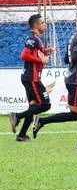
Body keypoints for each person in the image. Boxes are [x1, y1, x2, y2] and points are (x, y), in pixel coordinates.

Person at [32, 12, 77, 149]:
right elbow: (76, 58)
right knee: (74, 115)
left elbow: (68, 58)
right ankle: (41, 121)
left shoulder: (73, 36)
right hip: (76, 80)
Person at [9, 14, 54, 142]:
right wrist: (42, 59)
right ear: (36, 25)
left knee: (33, 106)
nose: (44, 25)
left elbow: (34, 53)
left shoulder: (36, 39)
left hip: (29, 77)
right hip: (32, 78)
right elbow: (24, 55)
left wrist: (45, 52)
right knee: (46, 105)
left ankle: (22, 135)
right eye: (43, 23)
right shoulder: (33, 39)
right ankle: (17, 116)